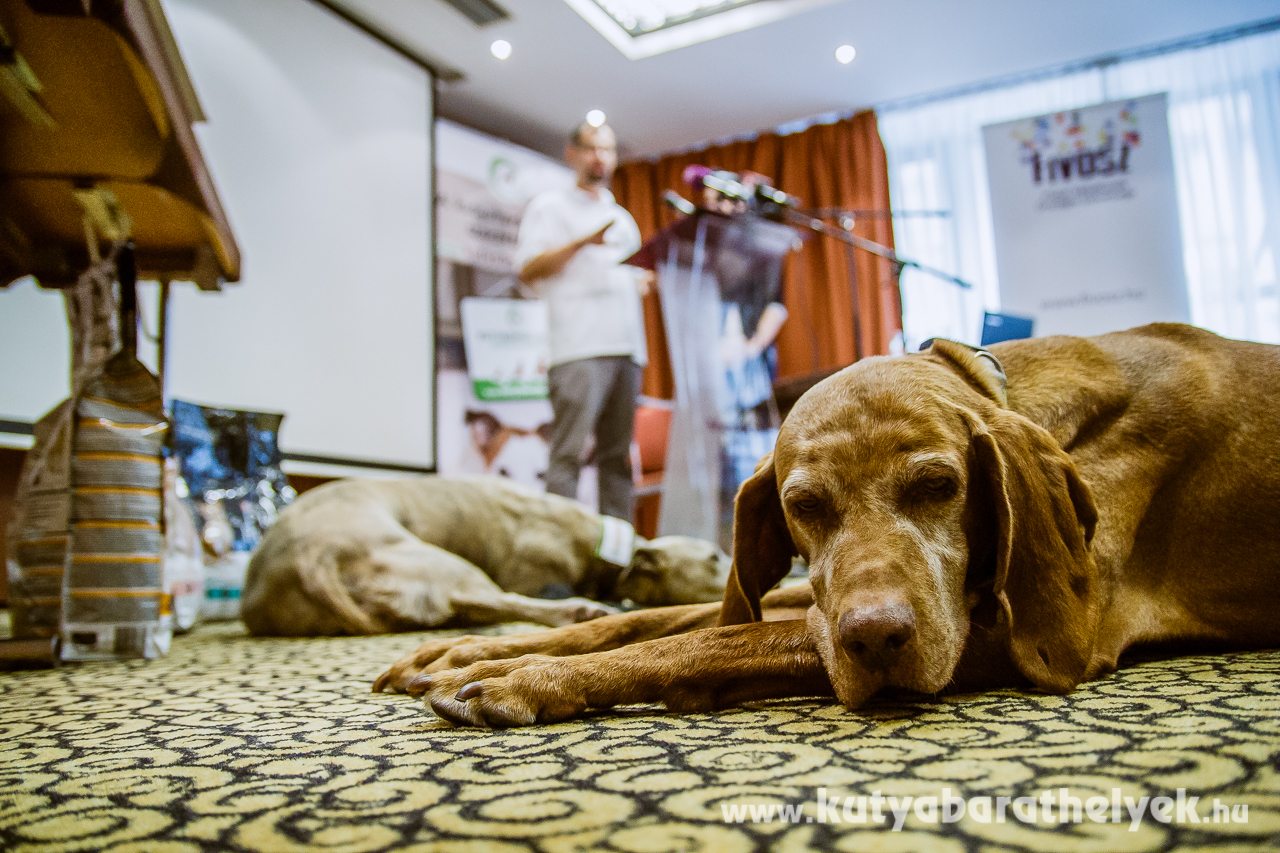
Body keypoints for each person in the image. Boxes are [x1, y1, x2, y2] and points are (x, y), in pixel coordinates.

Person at [513, 122, 649, 521]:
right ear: (571, 154)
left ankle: (617, 558)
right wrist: (581, 243)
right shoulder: (549, 207)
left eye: (607, 149)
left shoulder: (622, 219)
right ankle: (559, 560)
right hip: (577, 349)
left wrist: (642, 282)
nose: (599, 157)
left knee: (618, 459)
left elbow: (628, 276)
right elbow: (528, 269)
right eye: (590, 148)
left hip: (626, 348)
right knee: (568, 454)